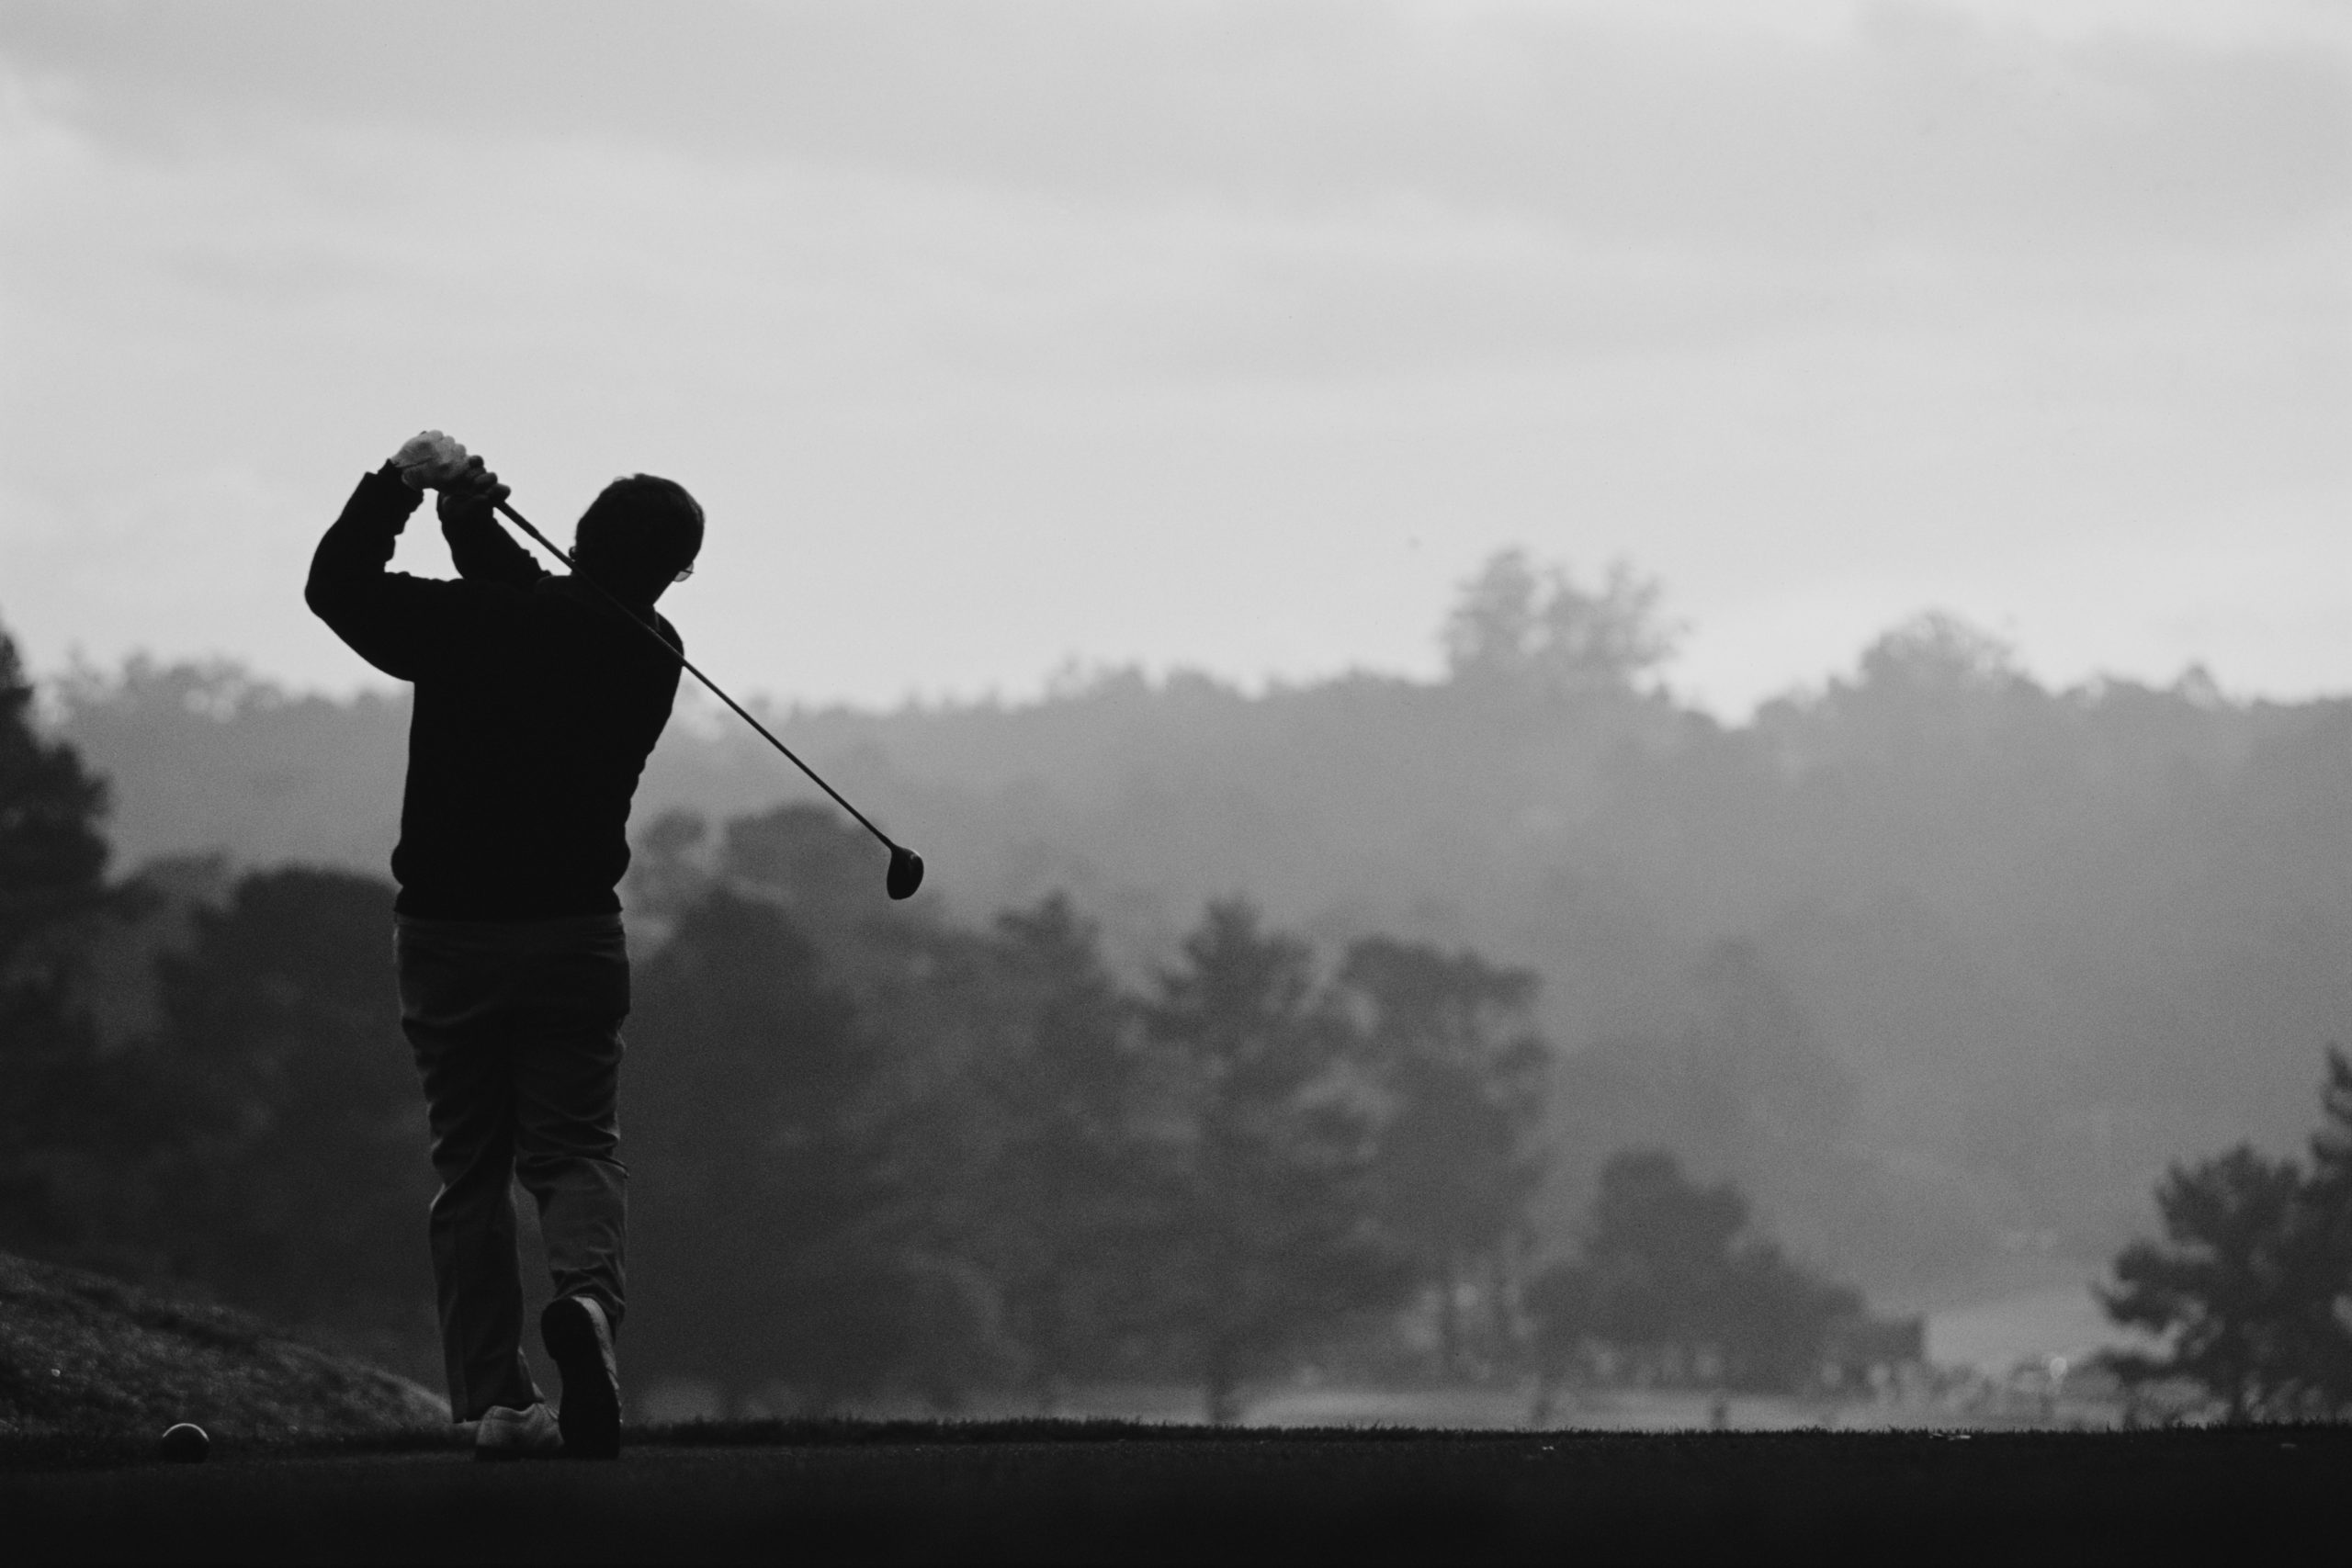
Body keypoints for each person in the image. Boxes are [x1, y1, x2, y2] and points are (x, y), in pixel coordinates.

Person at [306, 434, 703, 1460]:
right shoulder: (653, 647)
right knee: (572, 1150)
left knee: (471, 1173)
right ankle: (591, 1312)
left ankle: (499, 1401)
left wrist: (404, 486)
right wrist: (470, 517)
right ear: (676, 572)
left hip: (449, 934)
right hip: (575, 932)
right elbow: (552, 614)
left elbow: (337, 587)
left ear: (577, 537)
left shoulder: (479, 622)